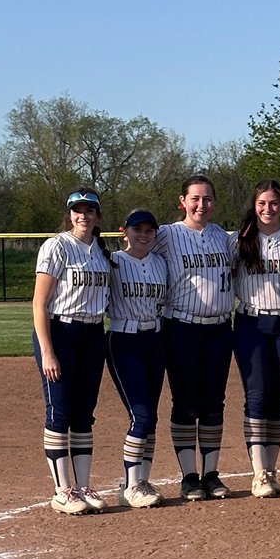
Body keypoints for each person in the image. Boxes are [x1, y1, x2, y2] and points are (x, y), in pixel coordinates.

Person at [154, 174, 234, 501]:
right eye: (195, 199)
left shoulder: (224, 237)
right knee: (186, 403)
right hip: (182, 327)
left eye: (207, 199)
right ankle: (189, 476)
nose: (201, 205)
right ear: (182, 201)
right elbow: (133, 244)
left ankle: (211, 473)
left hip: (218, 329)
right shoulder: (166, 235)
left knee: (214, 403)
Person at [31, 188, 111, 514]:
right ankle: (62, 490)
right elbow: (39, 303)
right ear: (70, 214)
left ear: (97, 215)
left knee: (83, 413)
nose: (83, 215)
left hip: (93, 334)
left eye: (89, 210)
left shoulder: (101, 252)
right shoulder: (57, 246)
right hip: (60, 331)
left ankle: (82, 485)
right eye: (77, 210)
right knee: (60, 411)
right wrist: (48, 352)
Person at [230, 180, 280, 498]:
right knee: (257, 395)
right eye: (262, 203)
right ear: (254, 205)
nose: (268, 209)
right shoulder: (239, 240)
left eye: (274, 203)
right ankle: (259, 472)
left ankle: (271, 469)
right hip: (251, 320)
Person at [107, 209, 168, 508]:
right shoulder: (113, 262)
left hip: (154, 340)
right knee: (141, 415)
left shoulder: (161, 263)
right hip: (124, 340)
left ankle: (140, 481)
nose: (143, 234)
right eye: (137, 229)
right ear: (124, 231)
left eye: (149, 230)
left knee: (151, 417)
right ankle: (131, 485)